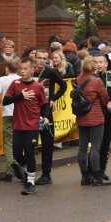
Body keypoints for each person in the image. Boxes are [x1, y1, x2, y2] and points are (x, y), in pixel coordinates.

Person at [3, 57, 49, 195]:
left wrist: (45, 117)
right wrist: (20, 96)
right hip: (18, 123)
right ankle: (26, 170)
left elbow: (44, 104)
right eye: (20, 69)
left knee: (29, 152)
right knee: (17, 153)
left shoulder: (37, 86)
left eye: (25, 69)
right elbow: (5, 101)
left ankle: (30, 181)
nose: (22, 71)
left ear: (31, 69)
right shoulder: (15, 84)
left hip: (32, 124)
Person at [32, 49, 68, 185]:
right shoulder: (29, 72)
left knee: (47, 143)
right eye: (39, 58)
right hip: (30, 111)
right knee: (29, 143)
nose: (41, 61)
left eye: (44, 59)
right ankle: (29, 173)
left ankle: (46, 174)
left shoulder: (50, 72)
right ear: (34, 58)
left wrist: (53, 98)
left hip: (45, 110)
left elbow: (63, 85)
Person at [75, 56, 110, 186]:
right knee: (95, 148)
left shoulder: (78, 79)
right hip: (96, 117)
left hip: (81, 117)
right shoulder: (97, 81)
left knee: (82, 148)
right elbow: (104, 99)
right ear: (93, 68)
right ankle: (97, 176)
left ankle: (85, 177)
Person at [0, 60, 21, 181]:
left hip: (7, 114)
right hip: (21, 114)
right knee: (20, 142)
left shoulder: (2, 80)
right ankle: (22, 166)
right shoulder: (22, 79)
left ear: (7, 69)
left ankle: (9, 170)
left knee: (9, 143)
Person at [94, 53, 111, 179]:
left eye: (101, 62)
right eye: (96, 62)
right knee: (95, 144)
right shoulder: (91, 78)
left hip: (107, 114)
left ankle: (102, 168)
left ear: (106, 64)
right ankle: (92, 170)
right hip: (94, 114)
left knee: (105, 142)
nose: (99, 64)